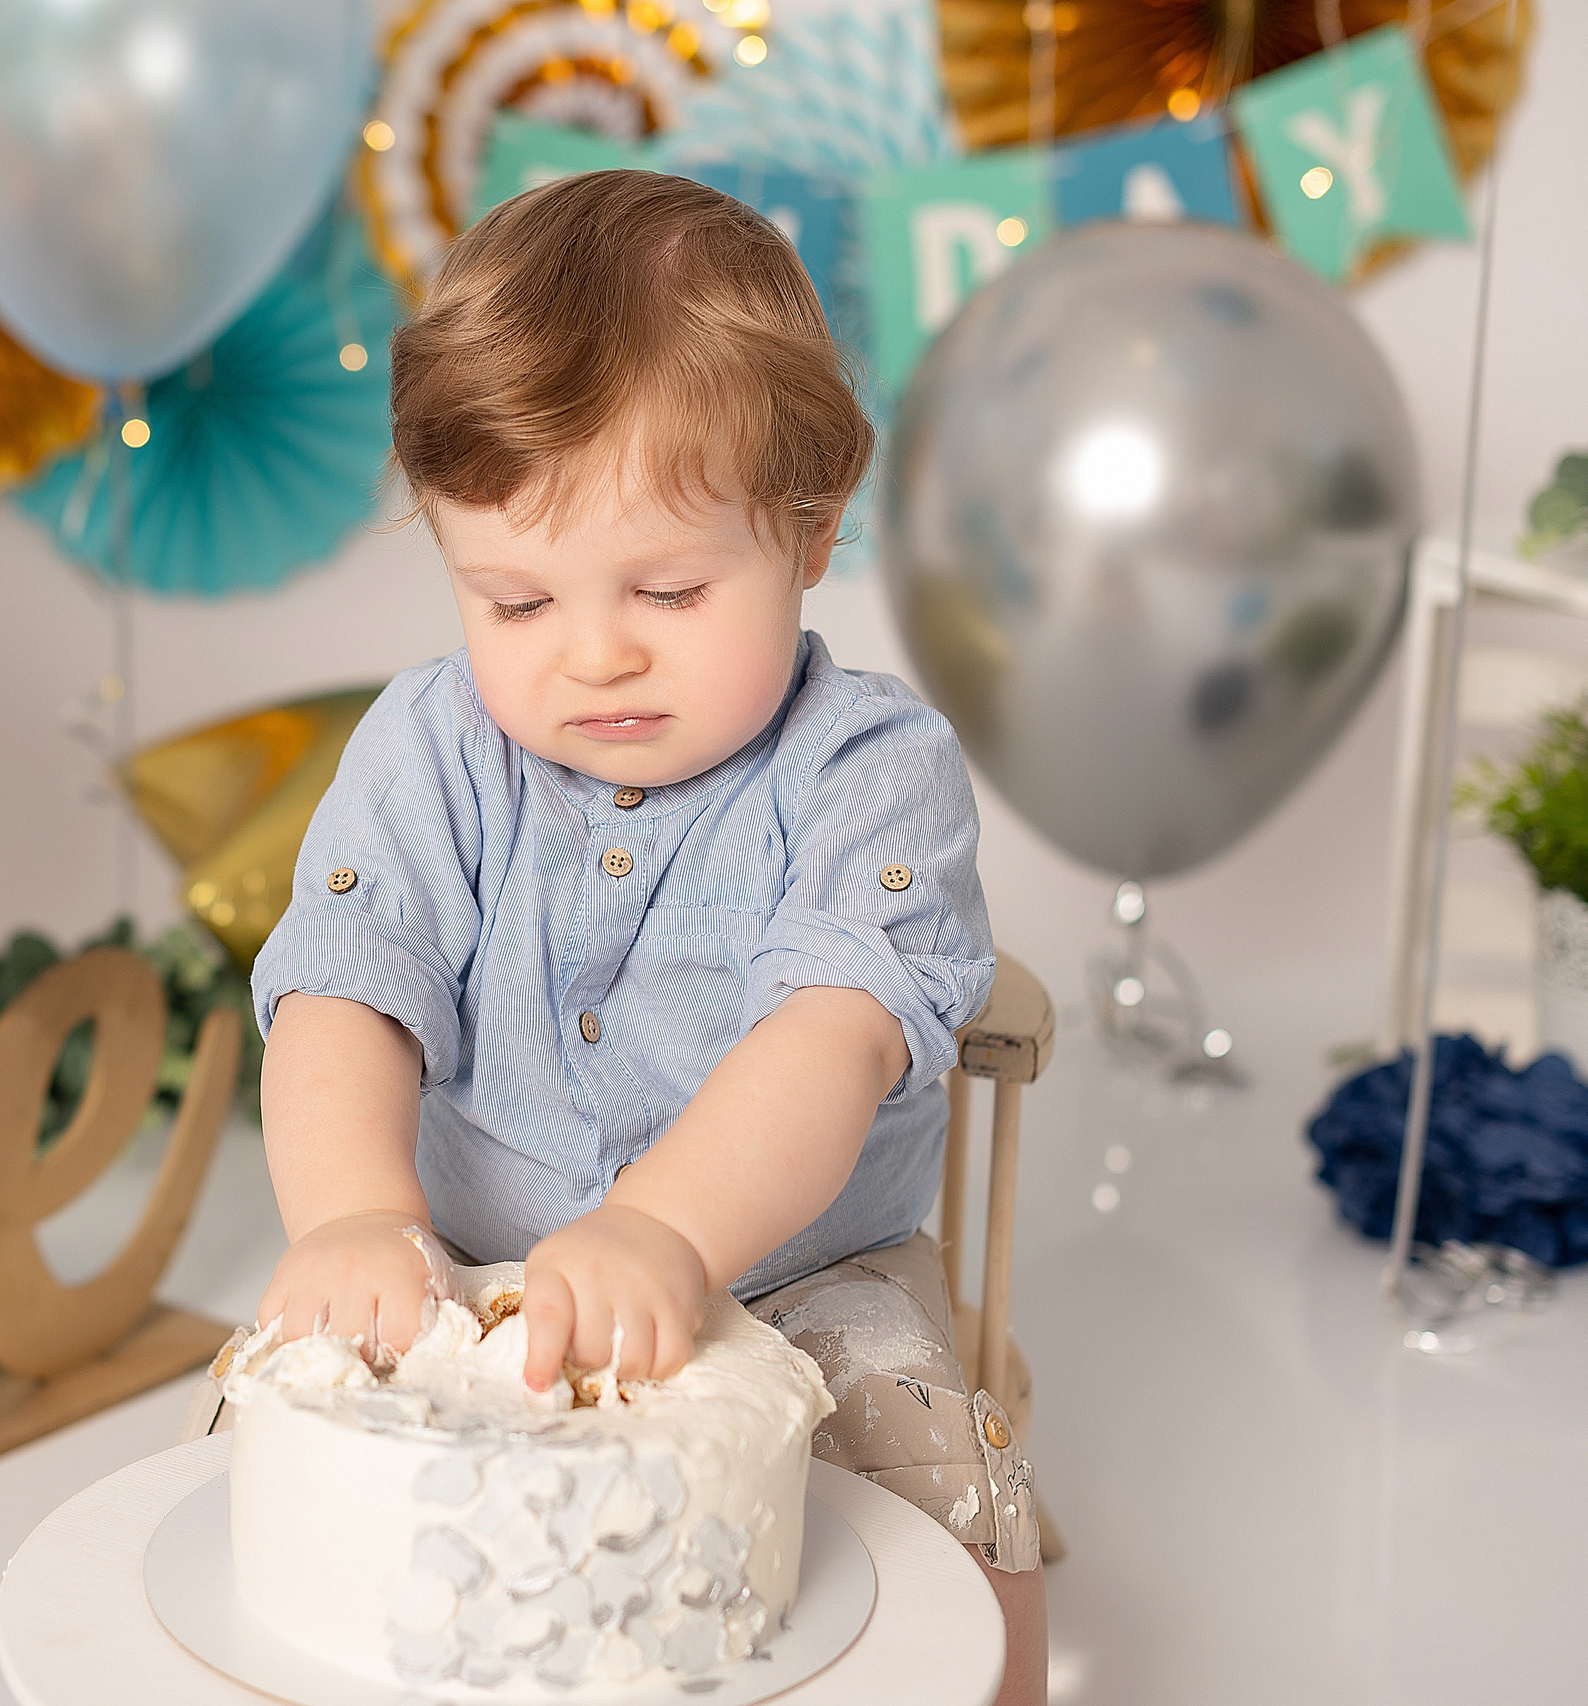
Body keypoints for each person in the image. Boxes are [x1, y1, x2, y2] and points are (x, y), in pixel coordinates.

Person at [245, 169, 1044, 1704]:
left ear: (811, 529)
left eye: (668, 589)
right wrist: (357, 1216)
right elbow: (347, 997)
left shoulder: (869, 769)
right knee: (276, 1438)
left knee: (945, 1470)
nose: (596, 652)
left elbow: (828, 1038)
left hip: (804, 1265)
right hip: (468, 1256)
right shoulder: (432, 747)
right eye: (516, 602)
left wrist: (668, 1232)